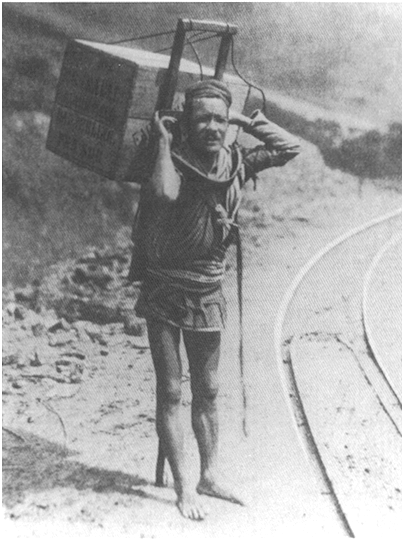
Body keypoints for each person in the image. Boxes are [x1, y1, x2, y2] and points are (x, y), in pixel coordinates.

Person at [129, 79, 300, 520]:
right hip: (165, 286)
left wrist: (247, 120)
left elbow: (288, 149)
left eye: (219, 119)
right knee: (170, 390)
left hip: (207, 288)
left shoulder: (236, 161)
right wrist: (165, 142)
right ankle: (186, 488)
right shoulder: (174, 161)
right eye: (201, 118)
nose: (211, 126)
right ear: (186, 121)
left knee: (207, 389)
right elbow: (164, 193)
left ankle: (209, 474)